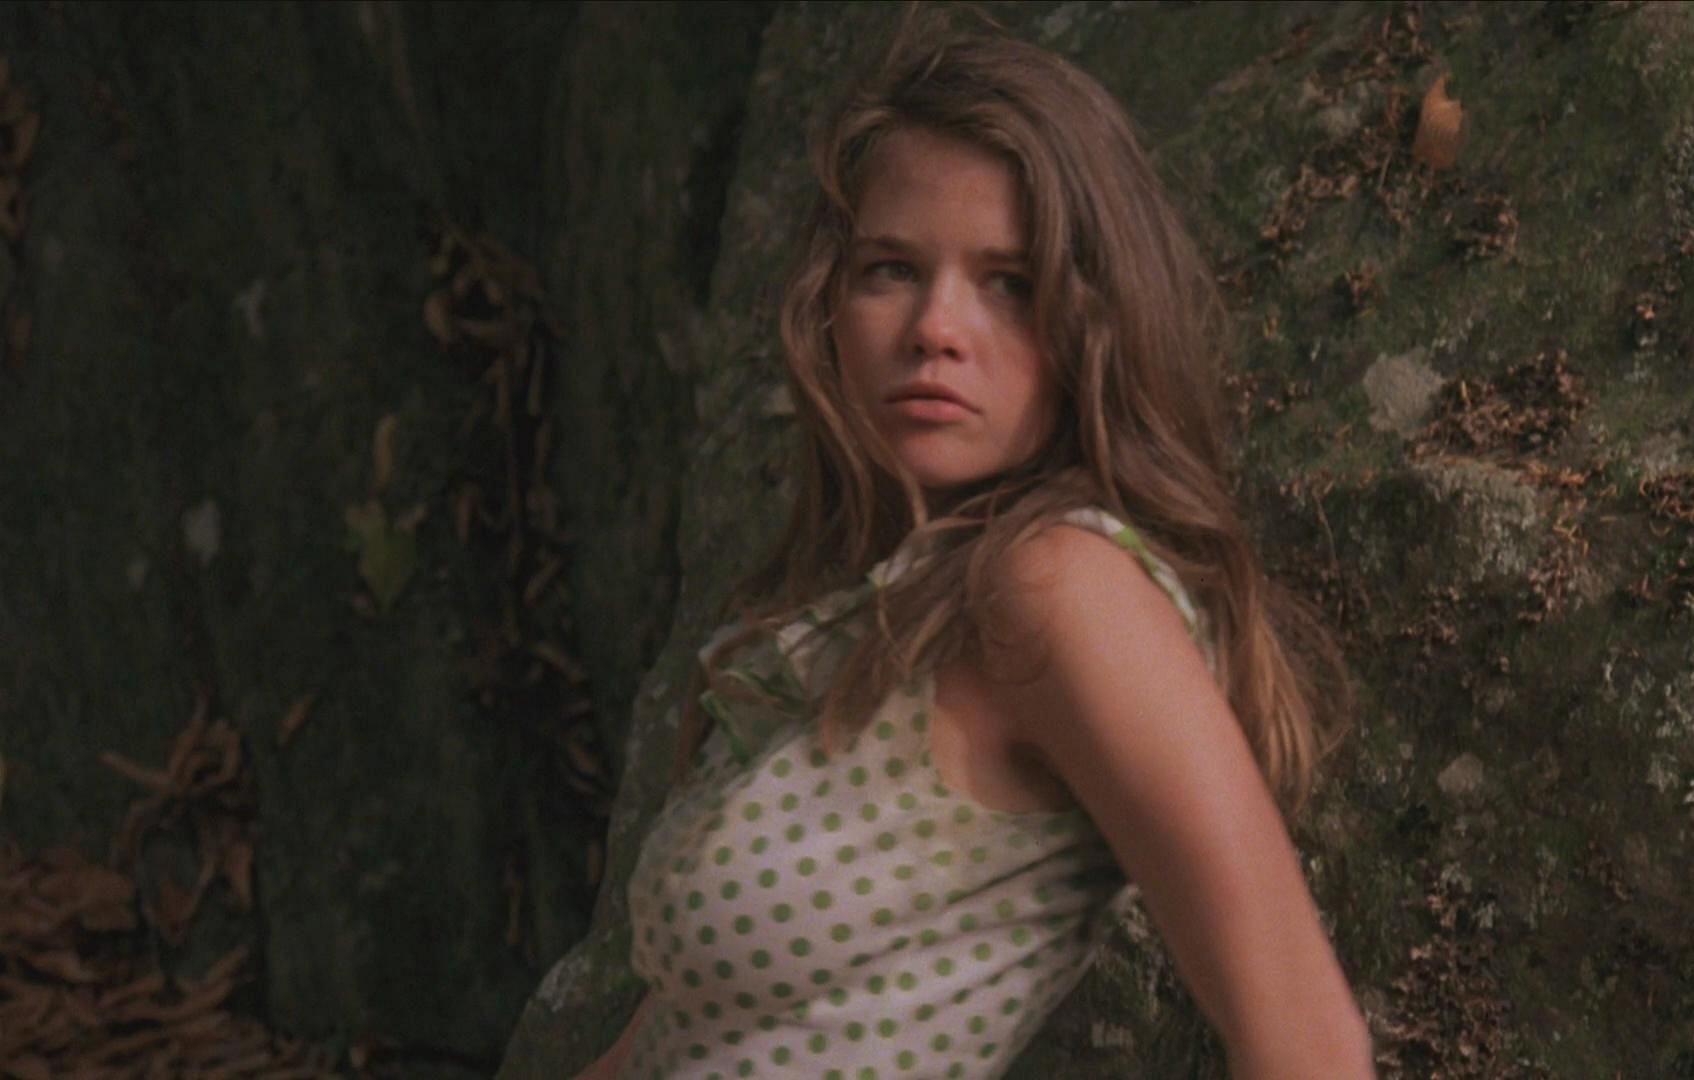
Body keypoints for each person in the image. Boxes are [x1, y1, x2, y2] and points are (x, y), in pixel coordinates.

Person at [580, 21, 1373, 1080]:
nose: (935, 328)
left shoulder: (1056, 589)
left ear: (1092, 317)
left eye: (1008, 280)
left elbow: (1309, 1051)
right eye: (891, 269)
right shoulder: (866, 611)